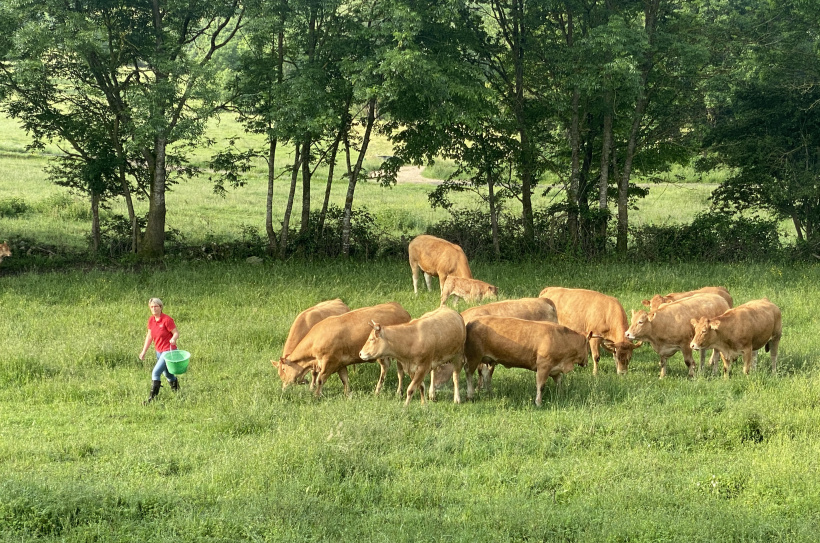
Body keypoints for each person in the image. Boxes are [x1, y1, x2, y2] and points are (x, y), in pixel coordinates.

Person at [139, 297, 180, 404]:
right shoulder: (151, 320)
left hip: (169, 351)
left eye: (156, 306)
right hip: (159, 351)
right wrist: (144, 351)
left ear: (160, 307)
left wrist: (173, 339)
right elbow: (149, 336)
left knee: (155, 373)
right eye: (151, 307)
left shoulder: (167, 320)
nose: (154, 309)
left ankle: (151, 400)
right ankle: (178, 394)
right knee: (168, 375)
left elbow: (176, 333)